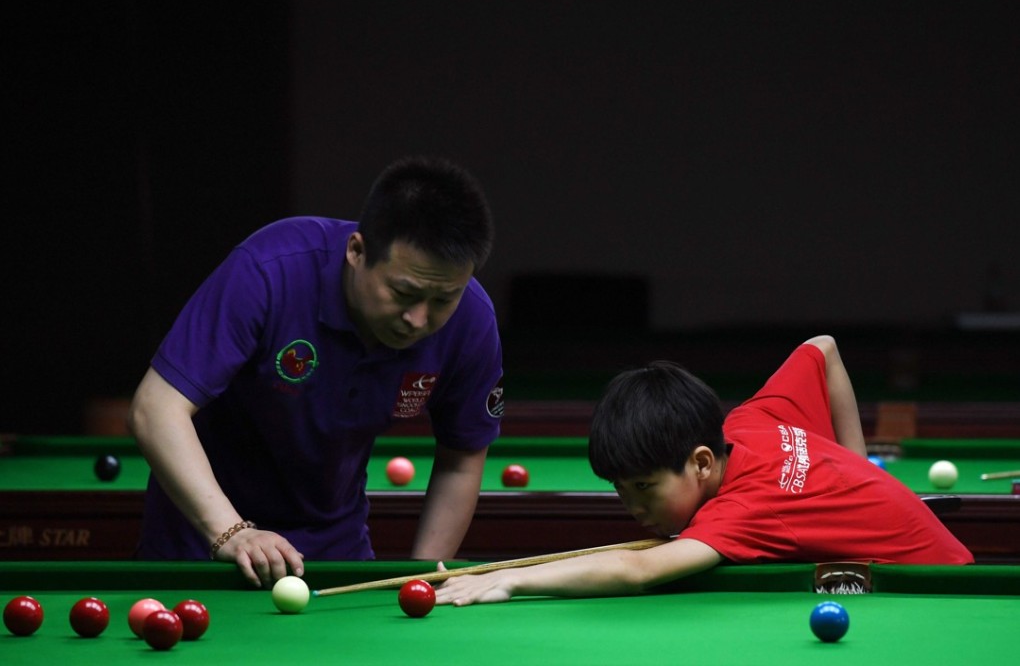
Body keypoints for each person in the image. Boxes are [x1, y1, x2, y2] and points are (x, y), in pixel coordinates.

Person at [128, 156, 504, 588]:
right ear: (357, 251)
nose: (419, 319)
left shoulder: (471, 319)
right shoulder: (270, 270)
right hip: (200, 542)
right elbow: (155, 409)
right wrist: (232, 532)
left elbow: (461, 460)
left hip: (333, 554)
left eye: (443, 300)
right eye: (404, 293)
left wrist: (419, 577)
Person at [435, 335, 972, 606]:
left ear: (701, 462)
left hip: (939, 591)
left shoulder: (743, 510)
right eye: (622, 492)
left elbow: (638, 571)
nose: (634, 508)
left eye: (645, 487)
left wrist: (510, 578)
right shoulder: (753, 420)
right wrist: (854, 471)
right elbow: (822, 349)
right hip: (939, 570)